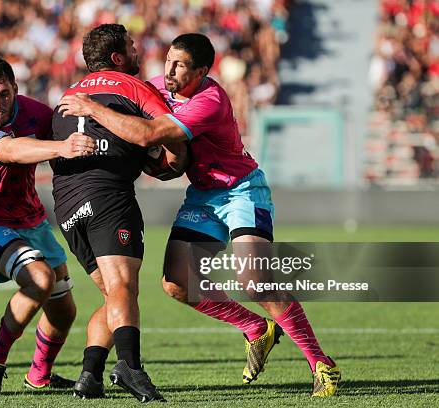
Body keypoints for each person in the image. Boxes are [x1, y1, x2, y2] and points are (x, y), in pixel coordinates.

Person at [58, 33, 342, 397]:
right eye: (168, 61)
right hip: (203, 196)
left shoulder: (209, 99)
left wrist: (93, 108)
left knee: (253, 278)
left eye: (180, 65)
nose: (169, 70)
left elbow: (148, 134)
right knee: (177, 284)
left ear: (202, 71)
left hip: (241, 189)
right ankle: (257, 329)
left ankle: (322, 364)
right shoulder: (157, 86)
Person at [51, 24, 187, 403]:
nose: (138, 50)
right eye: (131, 45)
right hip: (107, 196)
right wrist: (173, 163)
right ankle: (131, 366)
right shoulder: (132, 86)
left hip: (65, 203)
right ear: (118, 58)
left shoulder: (69, 93)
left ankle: (90, 375)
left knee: (115, 295)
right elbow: (164, 131)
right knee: (124, 287)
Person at [0, 55, 96, 395]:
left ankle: (39, 376)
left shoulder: (36, 113)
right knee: (40, 278)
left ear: (15, 88)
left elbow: (71, 134)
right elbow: (10, 151)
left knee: (64, 311)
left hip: (31, 220)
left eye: (3, 93)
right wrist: (63, 147)